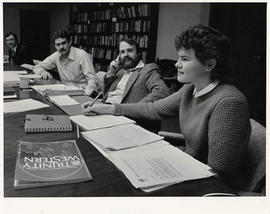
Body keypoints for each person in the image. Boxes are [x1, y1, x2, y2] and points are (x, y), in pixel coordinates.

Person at [82, 24, 251, 190]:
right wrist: (110, 109)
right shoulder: (190, 88)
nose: (176, 64)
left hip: (213, 187)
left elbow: (220, 171)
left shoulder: (228, 102)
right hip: (190, 167)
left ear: (209, 64)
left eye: (184, 59)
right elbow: (155, 109)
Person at [83, 37, 170, 131]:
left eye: (130, 51)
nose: (125, 55)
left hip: (124, 119)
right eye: (122, 52)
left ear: (139, 53)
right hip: (104, 114)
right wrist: (111, 72)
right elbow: (105, 94)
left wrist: (136, 109)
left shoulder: (148, 69)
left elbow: (162, 93)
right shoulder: (120, 72)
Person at [33, 30, 99, 96]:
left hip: (83, 92)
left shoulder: (82, 55)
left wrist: (86, 95)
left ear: (69, 42)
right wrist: (42, 71)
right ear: (55, 46)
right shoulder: (56, 55)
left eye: (63, 43)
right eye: (58, 45)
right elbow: (37, 67)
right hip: (66, 92)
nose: (61, 47)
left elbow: (92, 79)